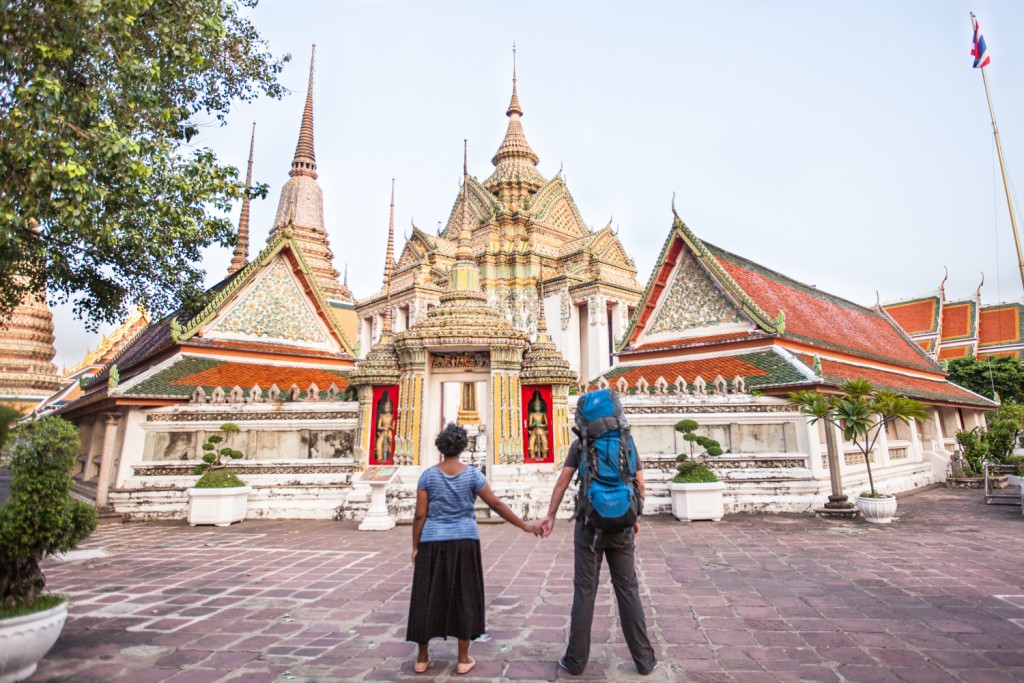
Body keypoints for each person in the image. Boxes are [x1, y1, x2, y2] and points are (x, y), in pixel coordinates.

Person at [407, 422, 539, 675]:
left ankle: (422, 658)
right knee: (464, 595)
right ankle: (463, 658)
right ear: (462, 447)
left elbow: (420, 515)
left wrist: (415, 546)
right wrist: (524, 526)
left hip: (432, 541)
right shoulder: (472, 475)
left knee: (426, 595)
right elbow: (497, 504)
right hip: (465, 540)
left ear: (441, 448)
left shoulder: (428, 476)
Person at [538, 432, 658, 676]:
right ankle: (644, 661)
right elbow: (640, 482)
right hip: (622, 523)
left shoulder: (580, 444)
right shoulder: (626, 441)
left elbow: (562, 481)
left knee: (585, 590)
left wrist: (550, 515)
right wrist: (635, 515)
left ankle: (576, 661)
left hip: (589, 524)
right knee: (627, 590)